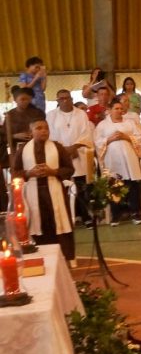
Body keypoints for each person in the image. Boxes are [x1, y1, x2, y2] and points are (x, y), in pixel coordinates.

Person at [14, 120, 75, 259]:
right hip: (33, 194)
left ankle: (65, 258)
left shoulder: (57, 147)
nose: (44, 131)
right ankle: (41, 256)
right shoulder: (23, 149)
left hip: (55, 191)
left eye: (46, 128)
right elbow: (15, 172)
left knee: (59, 225)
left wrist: (53, 171)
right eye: (39, 128)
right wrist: (29, 173)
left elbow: (70, 169)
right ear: (31, 132)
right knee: (38, 226)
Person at [46, 90, 94, 226]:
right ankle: (68, 217)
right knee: (65, 186)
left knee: (81, 186)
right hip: (60, 155)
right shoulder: (51, 115)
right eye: (61, 99)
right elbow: (50, 136)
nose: (65, 101)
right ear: (57, 101)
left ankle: (86, 217)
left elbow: (86, 133)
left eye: (67, 98)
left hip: (78, 152)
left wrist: (74, 147)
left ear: (72, 99)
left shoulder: (81, 114)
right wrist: (64, 151)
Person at [94, 98, 141, 224]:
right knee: (114, 184)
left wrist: (126, 137)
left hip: (129, 157)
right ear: (109, 110)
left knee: (133, 185)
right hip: (112, 158)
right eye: (116, 108)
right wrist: (109, 139)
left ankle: (135, 213)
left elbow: (139, 137)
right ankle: (115, 214)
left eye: (121, 108)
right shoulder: (103, 125)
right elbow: (97, 141)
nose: (119, 111)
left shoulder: (130, 123)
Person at [6, 87, 46, 161]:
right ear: (15, 100)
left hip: (35, 147)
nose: (26, 101)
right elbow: (3, 133)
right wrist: (14, 135)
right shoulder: (9, 115)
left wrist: (34, 133)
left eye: (28, 99)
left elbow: (44, 128)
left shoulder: (38, 113)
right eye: (22, 99)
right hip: (15, 149)